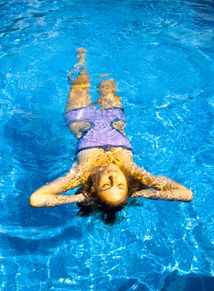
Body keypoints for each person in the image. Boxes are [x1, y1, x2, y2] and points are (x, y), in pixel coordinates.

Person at [30, 48, 193, 212]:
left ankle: (81, 57)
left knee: (81, 80)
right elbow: (186, 194)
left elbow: (37, 199)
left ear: (95, 188)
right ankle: (105, 49)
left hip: (79, 117)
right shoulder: (135, 172)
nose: (113, 177)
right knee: (107, 82)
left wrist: (82, 197)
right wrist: (143, 193)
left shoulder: (79, 175)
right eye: (121, 185)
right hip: (113, 117)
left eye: (106, 185)